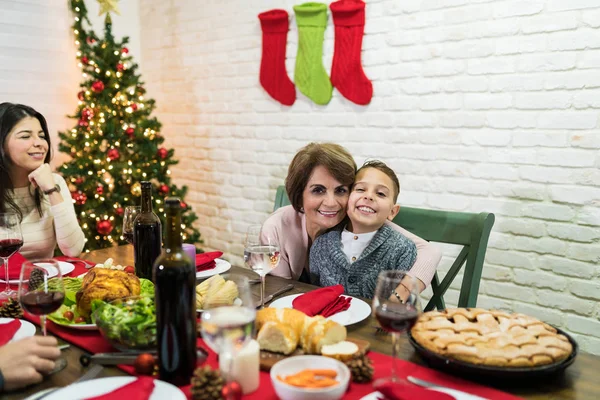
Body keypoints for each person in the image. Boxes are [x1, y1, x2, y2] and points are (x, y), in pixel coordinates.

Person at [262, 143, 441, 291]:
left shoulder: (358, 220)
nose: (331, 203)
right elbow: (280, 292)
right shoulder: (276, 228)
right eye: (318, 190)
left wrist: (401, 294)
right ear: (299, 195)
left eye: (341, 190)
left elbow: (430, 251)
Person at [309, 160, 417, 298]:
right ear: (347, 198)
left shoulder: (403, 249)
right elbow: (313, 293)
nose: (368, 196)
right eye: (360, 189)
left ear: (392, 212)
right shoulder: (320, 246)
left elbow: (402, 306)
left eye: (381, 194)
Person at [0, 103, 85, 259]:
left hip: (44, 281)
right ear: (2, 145)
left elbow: (73, 250)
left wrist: (51, 190)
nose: (39, 143)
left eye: (42, 136)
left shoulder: (55, 183)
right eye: (25, 136)